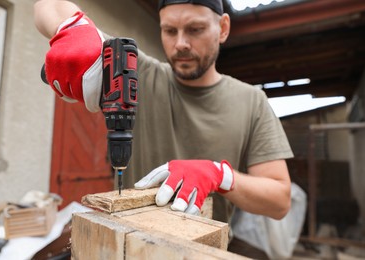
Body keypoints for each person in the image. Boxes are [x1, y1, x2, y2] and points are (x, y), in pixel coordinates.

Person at [34, 0, 294, 254]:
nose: (180, 43)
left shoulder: (251, 101)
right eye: (170, 31)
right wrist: (73, 29)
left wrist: (220, 175)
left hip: (204, 250)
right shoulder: (134, 73)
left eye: (195, 29)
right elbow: (48, 5)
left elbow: (280, 201)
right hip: (125, 248)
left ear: (223, 28)